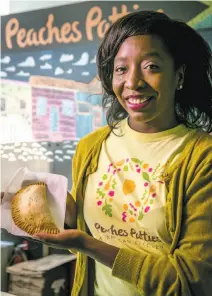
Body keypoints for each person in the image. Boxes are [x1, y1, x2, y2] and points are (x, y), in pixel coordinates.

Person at [34, 11, 212, 296]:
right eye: (121, 69)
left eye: (151, 66)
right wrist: (61, 211)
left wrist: (88, 246)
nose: (133, 82)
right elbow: (87, 231)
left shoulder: (203, 158)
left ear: (179, 76)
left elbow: (192, 282)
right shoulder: (91, 146)